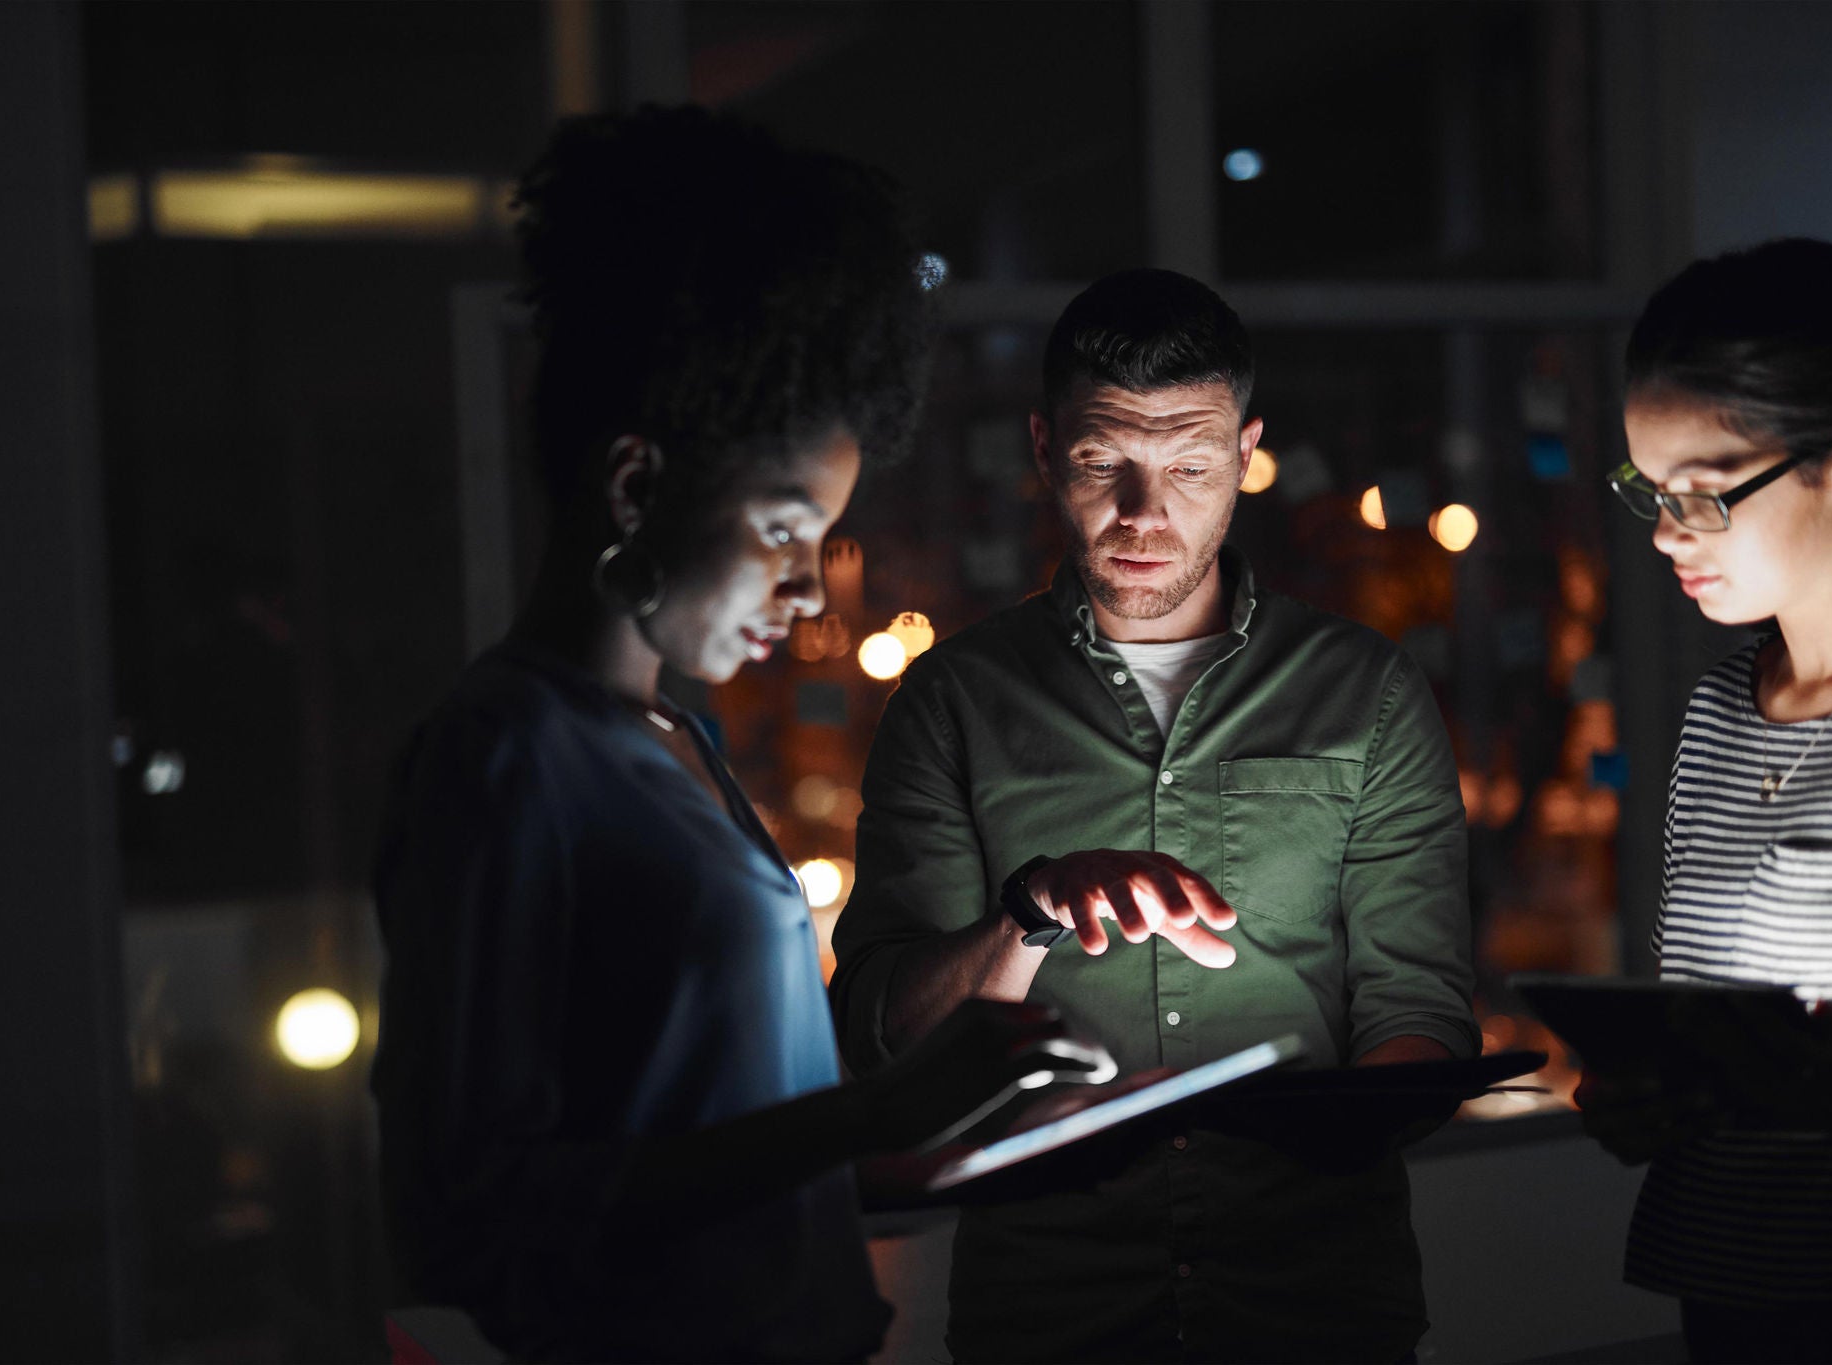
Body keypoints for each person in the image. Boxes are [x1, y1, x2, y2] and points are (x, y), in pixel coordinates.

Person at [370, 108, 1109, 1365]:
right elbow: (464, 1217)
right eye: (783, 531)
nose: (811, 590)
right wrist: (864, 1114)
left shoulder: (680, 742)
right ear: (635, 488)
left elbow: (737, 1140)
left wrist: (935, 1121)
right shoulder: (504, 760)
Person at [829, 268, 1481, 1364]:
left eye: (1188, 466)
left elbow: (1415, 1006)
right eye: (1102, 465)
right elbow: (885, 1034)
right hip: (1051, 1313)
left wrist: (1324, 1125)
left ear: (1243, 452)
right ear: (1044, 450)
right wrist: (1025, 917)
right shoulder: (951, 701)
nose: (1146, 515)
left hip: (1314, 1304)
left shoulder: (1364, 692)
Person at [1580, 238, 1832, 1365]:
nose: (1661, 533)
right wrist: (1648, 1100)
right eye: (1647, 493)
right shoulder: (1719, 713)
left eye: (1700, 496)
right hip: (1728, 1303)